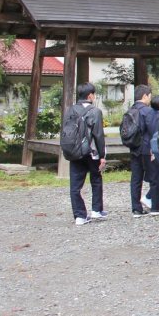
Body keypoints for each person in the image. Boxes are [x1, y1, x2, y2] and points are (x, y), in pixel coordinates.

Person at [66, 83, 107, 225]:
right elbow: (98, 135)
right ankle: (96, 210)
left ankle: (79, 216)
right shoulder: (95, 111)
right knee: (96, 180)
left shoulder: (70, 110)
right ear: (90, 95)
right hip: (91, 153)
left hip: (75, 152)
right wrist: (102, 155)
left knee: (75, 186)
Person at [126, 85, 158, 217]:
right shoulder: (148, 111)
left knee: (136, 178)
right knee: (155, 178)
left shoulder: (130, 110)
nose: (150, 99)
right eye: (149, 96)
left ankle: (136, 208)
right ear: (145, 96)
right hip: (147, 149)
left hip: (134, 148)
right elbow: (153, 131)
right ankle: (156, 206)